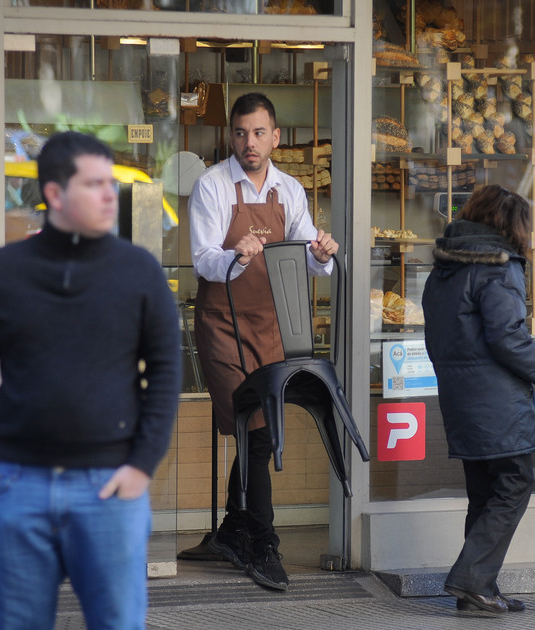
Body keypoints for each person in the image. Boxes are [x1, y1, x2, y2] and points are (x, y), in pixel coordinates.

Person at [0, 131, 182, 629]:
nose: (111, 194)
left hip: (110, 488)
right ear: (54, 194)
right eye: (95, 184)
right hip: (17, 486)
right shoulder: (3, 274)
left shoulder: (139, 272)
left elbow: (166, 371)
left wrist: (142, 464)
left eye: (110, 182)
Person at [187, 92, 338, 591]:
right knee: (254, 430)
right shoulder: (211, 187)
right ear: (230, 137)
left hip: (271, 323)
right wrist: (238, 254)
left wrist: (321, 252)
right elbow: (204, 261)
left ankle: (233, 530)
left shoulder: (290, 190)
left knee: (264, 428)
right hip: (223, 324)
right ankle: (264, 543)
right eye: (239, 133)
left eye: (258, 133)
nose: (248, 142)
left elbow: (306, 258)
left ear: (275, 137)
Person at [421, 184, 535, 614]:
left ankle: (479, 589)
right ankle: (471, 579)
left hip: (460, 396)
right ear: (513, 227)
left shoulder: (444, 270)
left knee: (485, 493)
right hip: (497, 401)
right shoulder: (498, 268)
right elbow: (508, 337)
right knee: (513, 485)